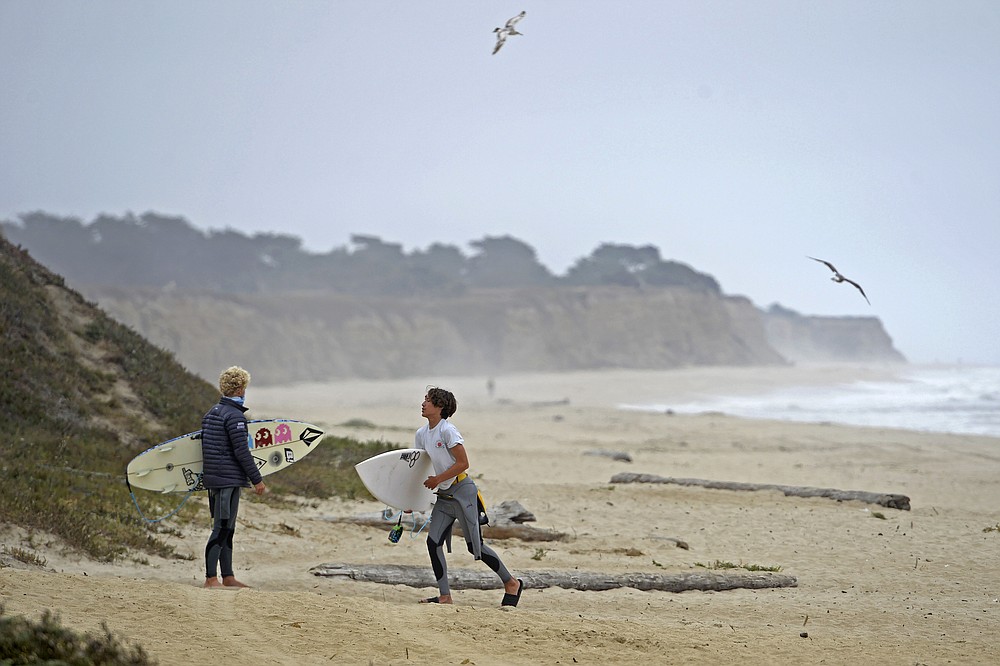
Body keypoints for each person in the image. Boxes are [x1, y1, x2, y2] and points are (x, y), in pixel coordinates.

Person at [416, 386, 523, 607]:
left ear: (440, 407)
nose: (423, 403)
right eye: (424, 399)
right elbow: (419, 468)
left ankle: (511, 583)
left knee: (475, 547)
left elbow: (463, 464)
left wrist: (437, 479)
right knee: (433, 542)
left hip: (462, 493)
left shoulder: (448, 431)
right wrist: (410, 501)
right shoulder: (421, 434)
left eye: (428, 400)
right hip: (444, 497)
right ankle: (445, 596)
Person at [200, 366, 266, 589]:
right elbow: (241, 451)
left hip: (216, 480)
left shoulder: (212, 413)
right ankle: (211, 578)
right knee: (221, 527)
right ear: (239, 388)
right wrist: (257, 479)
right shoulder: (235, 416)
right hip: (227, 480)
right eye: (244, 387)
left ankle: (228, 576)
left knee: (228, 527)